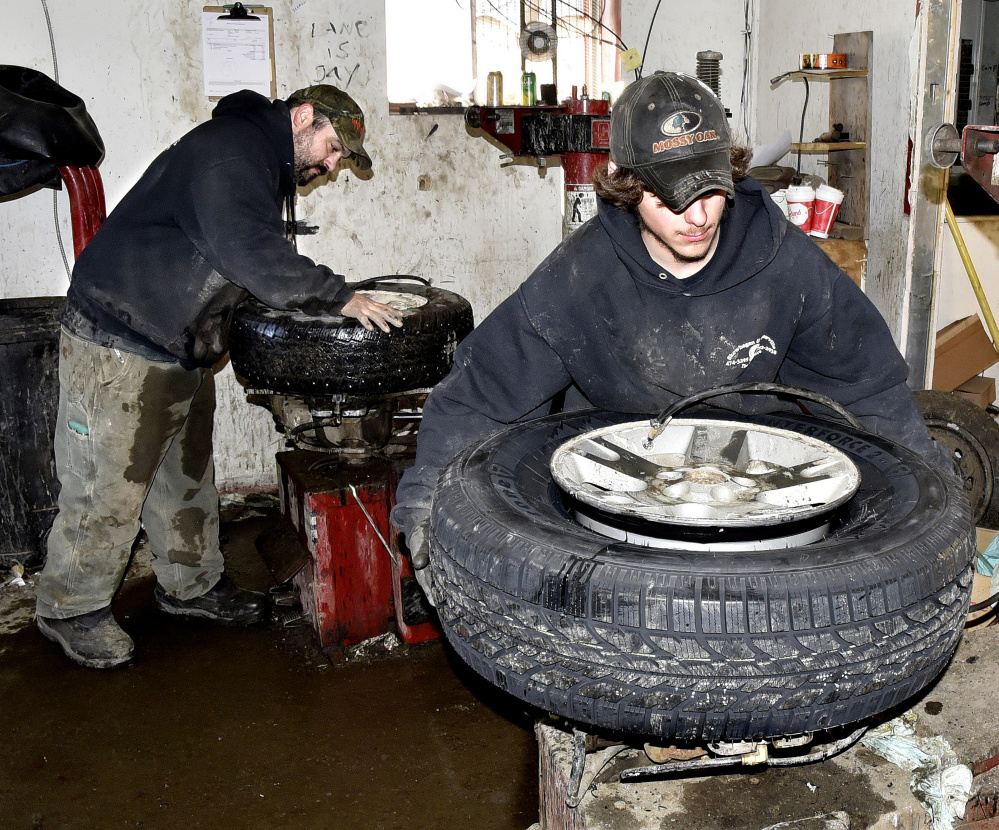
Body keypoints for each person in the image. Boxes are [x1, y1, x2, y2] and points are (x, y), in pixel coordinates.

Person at [391, 71, 949, 591]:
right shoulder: (579, 277)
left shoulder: (784, 263)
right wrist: (424, 505)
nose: (697, 217)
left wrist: (934, 498)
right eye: (669, 198)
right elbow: (479, 397)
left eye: (708, 190)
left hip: (750, 483)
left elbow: (870, 386)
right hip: (613, 490)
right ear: (625, 185)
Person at [35, 83, 403, 669]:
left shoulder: (258, 161)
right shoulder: (233, 152)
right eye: (333, 148)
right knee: (107, 484)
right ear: (303, 117)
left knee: (183, 476)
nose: (331, 166)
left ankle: (189, 585)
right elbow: (248, 250)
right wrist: (338, 298)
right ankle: (69, 607)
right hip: (121, 339)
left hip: (176, 344)